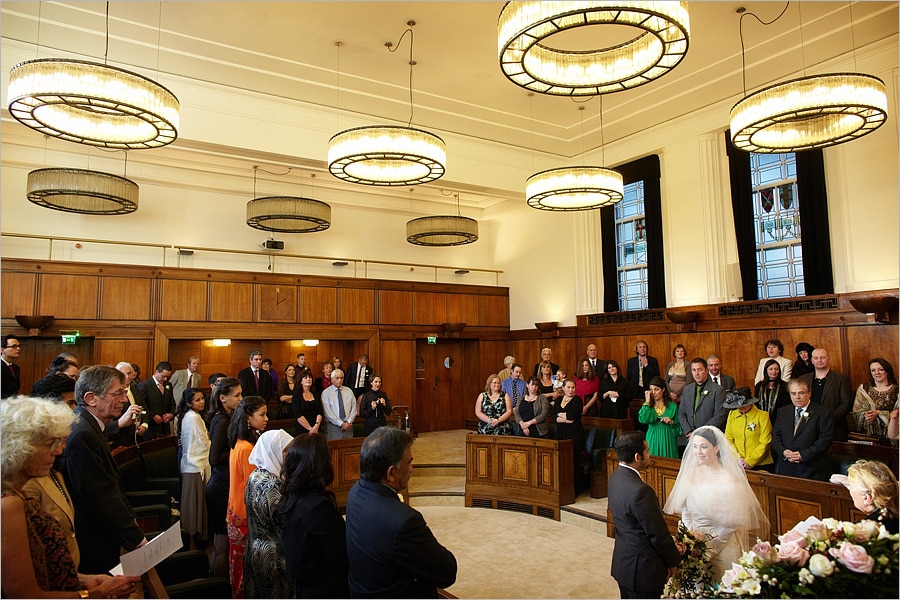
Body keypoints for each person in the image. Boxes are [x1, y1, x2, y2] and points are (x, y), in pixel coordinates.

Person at [1, 396, 141, 599]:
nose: (58, 450)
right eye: (50, 443)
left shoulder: (17, 492)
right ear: (19, 445)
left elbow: (40, 567)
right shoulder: (8, 504)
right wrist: (93, 594)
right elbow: (23, 595)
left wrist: (84, 580)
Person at [57, 366, 149, 575]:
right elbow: (100, 494)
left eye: (125, 393)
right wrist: (136, 540)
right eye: (118, 393)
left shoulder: (87, 424)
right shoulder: (81, 435)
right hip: (92, 539)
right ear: (91, 398)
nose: (125, 400)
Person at [346, 427, 457, 597]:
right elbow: (447, 572)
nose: (411, 469)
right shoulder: (404, 521)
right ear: (391, 473)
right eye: (409, 463)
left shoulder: (356, 492)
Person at [663, 426, 770, 582]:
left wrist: (711, 548)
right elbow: (685, 510)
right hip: (695, 545)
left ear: (717, 448)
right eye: (695, 446)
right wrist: (690, 538)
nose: (698, 452)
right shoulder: (690, 475)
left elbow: (732, 522)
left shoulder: (730, 478)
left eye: (704, 447)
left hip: (723, 544)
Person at [609, 431, 682, 599]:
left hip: (624, 564)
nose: (649, 455)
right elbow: (658, 533)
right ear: (637, 457)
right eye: (647, 451)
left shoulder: (615, 477)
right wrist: (673, 560)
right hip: (642, 570)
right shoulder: (641, 491)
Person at [276, 433, 349, 599]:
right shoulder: (319, 507)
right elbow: (340, 558)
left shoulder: (292, 498)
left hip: (303, 588)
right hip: (325, 590)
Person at [244, 429, 294, 599]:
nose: (290, 455)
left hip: (255, 549)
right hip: (272, 557)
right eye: (286, 450)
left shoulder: (255, 475)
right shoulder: (272, 484)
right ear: (273, 451)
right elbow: (282, 522)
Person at [227, 395, 268, 598]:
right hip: (244, 514)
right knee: (244, 568)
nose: (266, 418)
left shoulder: (239, 442)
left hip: (235, 509)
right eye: (261, 414)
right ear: (248, 419)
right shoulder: (246, 449)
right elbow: (255, 487)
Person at [206, 377, 242, 579]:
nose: (240, 399)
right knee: (221, 543)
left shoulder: (227, 417)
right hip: (220, 487)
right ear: (222, 398)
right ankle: (218, 587)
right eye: (236, 395)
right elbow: (214, 458)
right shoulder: (222, 420)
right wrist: (238, 450)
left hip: (224, 484)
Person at [771, 379, 834, 481]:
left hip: (812, 470)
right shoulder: (783, 412)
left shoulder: (822, 413)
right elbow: (775, 436)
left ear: (809, 394)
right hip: (786, 470)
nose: (797, 397)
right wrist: (784, 452)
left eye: (801, 393)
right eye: (793, 393)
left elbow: (825, 440)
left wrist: (803, 455)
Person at [177, 387, 210, 549]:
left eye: (202, 398)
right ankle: (191, 541)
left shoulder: (194, 416)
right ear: (189, 403)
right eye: (197, 400)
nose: (202, 402)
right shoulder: (192, 417)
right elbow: (202, 442)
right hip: (194, 465)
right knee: (193, 505)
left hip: (194, 464)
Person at [831, 460, 899, 535]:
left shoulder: (864, 533)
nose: (849, 490)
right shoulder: (893, 514)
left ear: (866, 498)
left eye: (850, 486)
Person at [800, 347, 853, 442]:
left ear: (829, 359)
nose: (819, 360)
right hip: (808, 428)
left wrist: (828, 419)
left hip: (835, 428)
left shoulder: (841, 379)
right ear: (812, 360)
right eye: (816, 358)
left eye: (822, 357)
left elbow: (846, 404)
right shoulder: (803, 379)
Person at [723, 387, 774, 472]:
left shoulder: (763, 416)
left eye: (744, 404)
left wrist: (750, 461)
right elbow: (728, 439)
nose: (741, 407)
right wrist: (737, 458)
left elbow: (766, 442)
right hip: (737, 463)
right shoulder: (732, 415)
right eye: (738, 404)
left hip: (761, 464)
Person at [678, 357, 728, 438]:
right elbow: (681, 413)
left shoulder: (718, 390)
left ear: (706, 370)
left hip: (710, 436)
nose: (696, 373)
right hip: (691, 437)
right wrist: (689, 431)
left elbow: (719, 415)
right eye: (694, 370)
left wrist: (701, 433)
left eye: (700, 370)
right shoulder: (687, 389)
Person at [851, 358, 898, 442]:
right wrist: (865, 415)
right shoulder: (863, 389)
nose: (877, 373)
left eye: (881, 369)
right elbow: (856, 412)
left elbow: (897, 414)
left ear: (887, 371)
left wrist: (879, 413)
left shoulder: (897, 390)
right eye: (873, 370)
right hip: (868, 435)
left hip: (891, 436)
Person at [554, 379, 587, 495]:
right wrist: (565, 418)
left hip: (575, 434)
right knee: (562, 461)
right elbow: (555, 416)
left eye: (573, 387)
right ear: (563, 388)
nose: (570, 390)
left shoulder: (577, 400)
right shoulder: (558, 400)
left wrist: (561, 416)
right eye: (568, 387)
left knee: (574, 460)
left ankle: (576, 489)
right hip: (561, 433)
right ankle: (564, 488)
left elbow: (573, 417)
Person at [638, 376, 681, 458]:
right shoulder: (648, 407)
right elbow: (643, 419)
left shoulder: (673, 407)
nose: (653, 392)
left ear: (663, 390)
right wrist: (647, 402)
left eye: (656, 389)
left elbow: (679, 428)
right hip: (652, 438)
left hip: (668, 439)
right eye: (651, 389)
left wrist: (671, 422)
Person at [138, 361, 175, 439]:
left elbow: (172, 402)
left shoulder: (168, 385)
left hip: (165, 427)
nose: (165, 379)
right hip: (151, 426)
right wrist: (153, 416)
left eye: (167, 377)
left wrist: (171, 414)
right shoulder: (145, 386)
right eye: (163, 376)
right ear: (157, 372)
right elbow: (142, 405)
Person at [320, 368, 357, 440]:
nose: (340, 380)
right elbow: (328, 413)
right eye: (337, 378)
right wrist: (341, 424)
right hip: (333, 428)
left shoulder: (348, 391)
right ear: (332, 379)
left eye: (341, 378)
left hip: (348, 426)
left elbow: (354, 409)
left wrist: (348, 422)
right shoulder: (326, 393)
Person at [754, 359, 791, 424]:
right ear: (766, 371)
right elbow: (756, 403)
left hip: (779, 419)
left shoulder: (784, 385)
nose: (774, 371)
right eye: (771, 369)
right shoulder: (759, 385)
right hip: (761, 420)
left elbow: (786, 405)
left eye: (776, 369)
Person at [292, 369, 324, 436]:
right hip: (302, 429)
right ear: (301, 381)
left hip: (316, 428)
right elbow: (298, 415)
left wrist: (316, 425)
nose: (308, 379)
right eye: (305, 378)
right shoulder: (296, 395)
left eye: (310, 377)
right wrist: (310, 428)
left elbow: (320, 411)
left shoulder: (315, 393)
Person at [501, 364, 526, 434]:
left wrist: (517, 407)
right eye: (516, 372)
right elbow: (502, 398)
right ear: (512, 371)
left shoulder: (523, 384)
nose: (518, 374)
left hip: (519, 408)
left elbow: (524, 398)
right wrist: (511, 408)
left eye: (520, 372)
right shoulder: (504, 383)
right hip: (507, 408)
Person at [1, 333, 22, 399]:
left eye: (19, 346)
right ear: (2, 350)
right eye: (14, 346)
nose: (18, 349)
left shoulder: (16, 368)